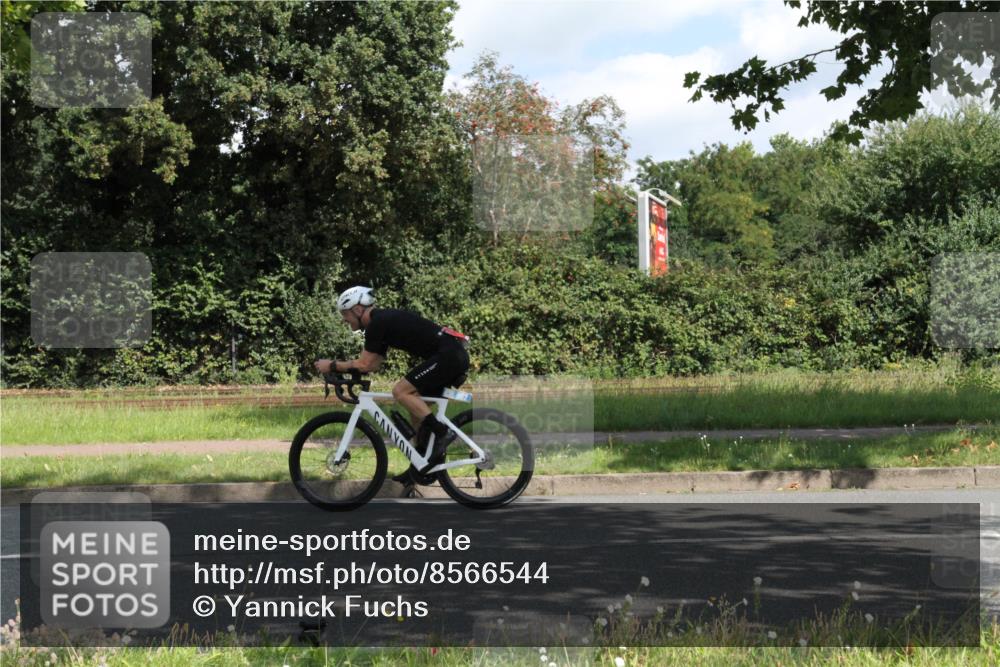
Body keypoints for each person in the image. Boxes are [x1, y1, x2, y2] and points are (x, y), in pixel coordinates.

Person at [313, 286, 470, 478]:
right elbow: (372, 364)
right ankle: (420, 466)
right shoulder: (381, 322)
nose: (344, 320)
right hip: (451, 355)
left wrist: (332, 365)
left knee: (400, 392)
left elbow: (364, 364)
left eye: (345, 314)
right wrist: (346, 369)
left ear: (358, 309)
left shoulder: (378, 323)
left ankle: (443, 432)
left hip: (449, 356)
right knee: (415, 409)